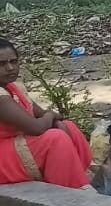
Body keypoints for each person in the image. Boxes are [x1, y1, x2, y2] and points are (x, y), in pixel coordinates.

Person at [0, 40, 92, 188]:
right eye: (2, 64)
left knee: (68, 126)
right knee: (55, 138)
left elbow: (42, 114)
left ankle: (79, 181)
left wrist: (55, 121)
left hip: (14, 145)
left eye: (13, 61)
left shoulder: (14, 87)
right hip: (3, 157)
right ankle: (69, 193)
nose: (10, 68)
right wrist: (51, 118)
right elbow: (36, 127)